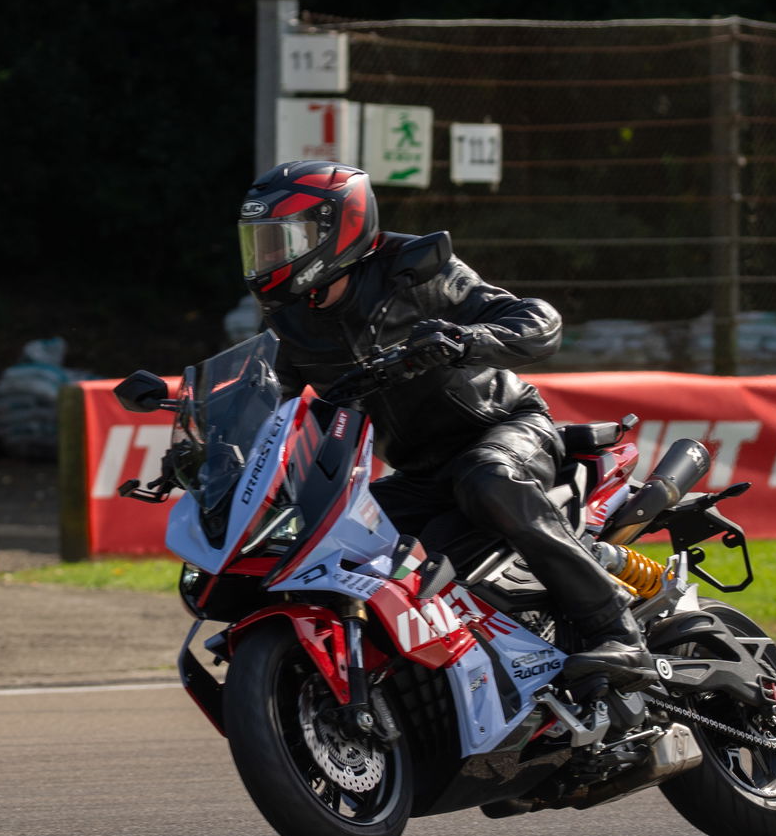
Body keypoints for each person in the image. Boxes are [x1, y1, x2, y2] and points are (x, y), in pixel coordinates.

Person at [237, 159, 648, 683]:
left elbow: (538, 321)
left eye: (282, 240)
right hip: (422, 474)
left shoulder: (416, 270)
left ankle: (614, 630)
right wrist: (198, 421)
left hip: (504, 430)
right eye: (261, 243)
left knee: (488, 479)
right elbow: (269, 401)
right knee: (333, 542)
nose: (268, 257)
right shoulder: (291, 319)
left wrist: (465, 341)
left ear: (335, 228)